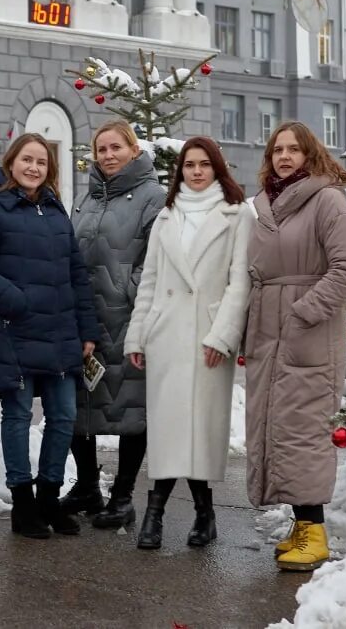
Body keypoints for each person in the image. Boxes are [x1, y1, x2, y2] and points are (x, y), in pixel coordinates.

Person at [0, 133, 102, 539]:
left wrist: (86, 329)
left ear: (49, 169)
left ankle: (48, 499)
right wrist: (16, 301)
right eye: (27, 159)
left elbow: (76, 274)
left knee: (63, 418)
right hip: (12, 331)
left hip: (59, 332)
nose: (34, 167)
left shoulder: (55, 212)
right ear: (11, 162)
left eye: (42, 161)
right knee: (19, 417)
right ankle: (22, 504)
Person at [123, 137, 252, 550]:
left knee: (197, 430)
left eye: (204, 165)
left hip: (206, 336)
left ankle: (195, 514)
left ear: (217, 168)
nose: (196, 172)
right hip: (167, 333)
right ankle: (161, 514)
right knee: (168, 430)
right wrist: (139, 333)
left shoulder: (237, 215)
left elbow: (240, 283)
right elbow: (150, 281)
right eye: (189, 165)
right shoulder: (167, 217)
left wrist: (223, 335)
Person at [245, 121, 346, 572]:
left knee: (304, 428)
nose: (285, 157)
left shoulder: (328, 200)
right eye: (278, 150)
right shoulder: (267, 206)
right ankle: (300, 527)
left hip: (308, 332)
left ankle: (314, 532)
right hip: (268, 331)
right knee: (277, 425)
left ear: (310, 155)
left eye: (294, 149)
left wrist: (303, 311)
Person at [61, 120, 165, 529]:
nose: (107, 155)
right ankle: (88, 485)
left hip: (127, 317)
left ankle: (123, 496)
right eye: (101, 148)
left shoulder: (152, 196)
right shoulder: (85, 197)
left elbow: (158, 258)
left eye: (116, 147)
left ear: (133, 150)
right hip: (83, 319)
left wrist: (127, 289)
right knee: (75, 405)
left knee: (129, 407)